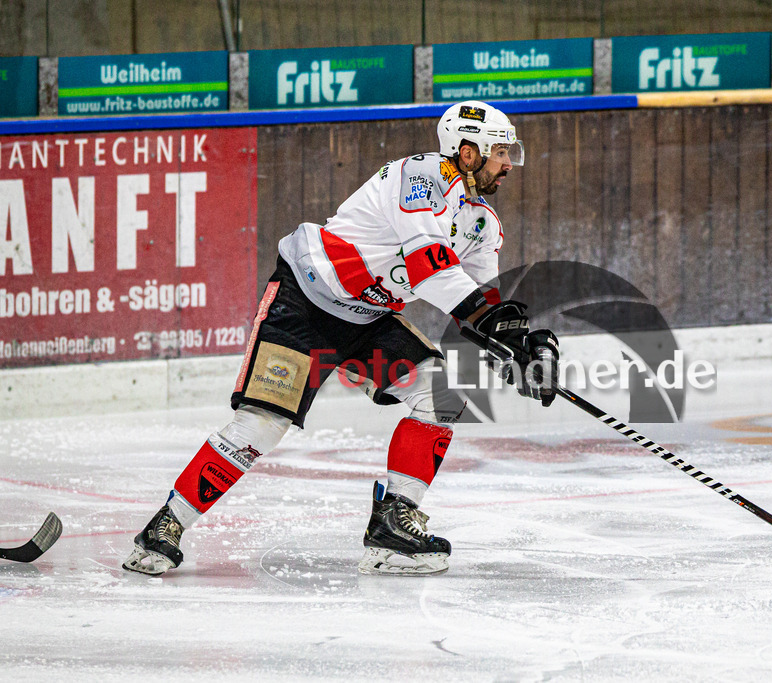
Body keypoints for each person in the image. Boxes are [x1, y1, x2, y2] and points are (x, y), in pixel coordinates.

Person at [123, 101, 559, 576]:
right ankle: (165, 526)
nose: (509, 163)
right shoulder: (417, 177)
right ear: (467, 151)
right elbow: (428, 265)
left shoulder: (482, 225)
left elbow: (480, 307)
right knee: (262, 426)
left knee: (441, 395)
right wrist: (494, 321)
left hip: (369, 319)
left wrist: (520, 349)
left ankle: (393, 524)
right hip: (306, 302)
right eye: (500, 151)